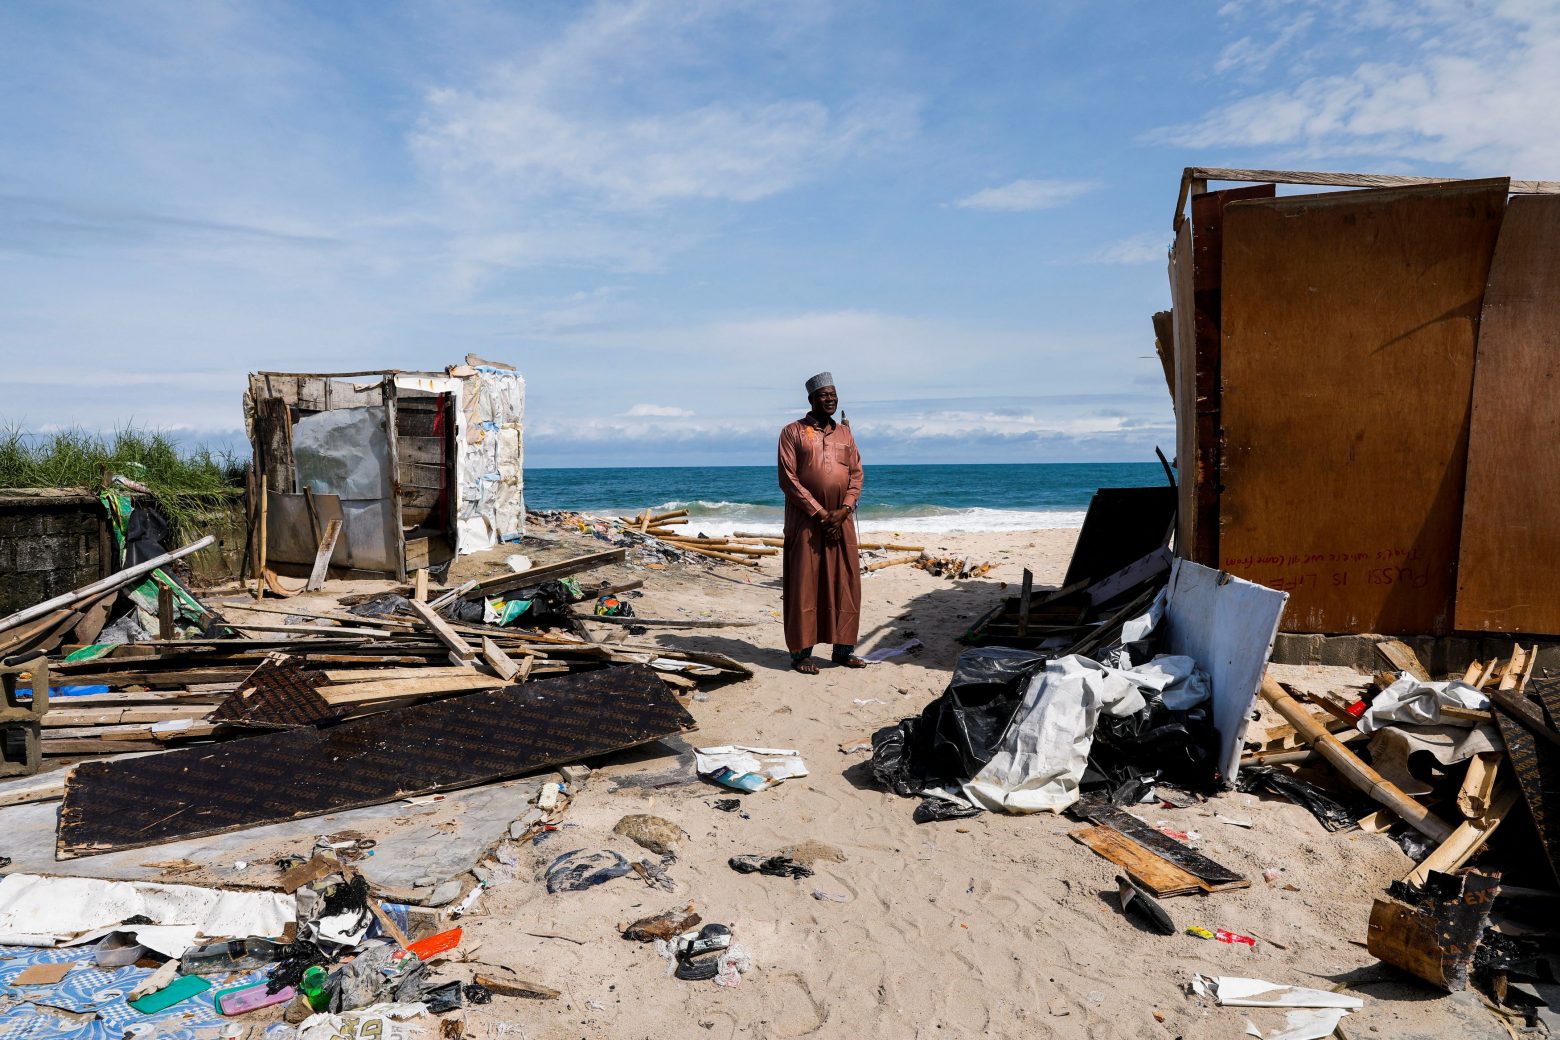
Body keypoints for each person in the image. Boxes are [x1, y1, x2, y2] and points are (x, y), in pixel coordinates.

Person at [777, 372, 865, 674]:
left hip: (842, 522)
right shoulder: (792, 432)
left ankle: (843, 650)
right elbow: (788, 479)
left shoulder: (845, 434)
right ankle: (801, 655)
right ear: (811, 399)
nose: (830, 400)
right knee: (805, 585)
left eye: (833, 394)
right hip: (806, 522)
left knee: (846, 584)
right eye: (824, 395)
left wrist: (844, 510)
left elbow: (856, 475)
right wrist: (820, 513)